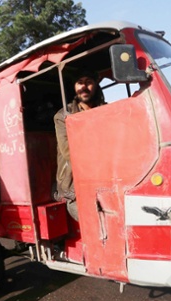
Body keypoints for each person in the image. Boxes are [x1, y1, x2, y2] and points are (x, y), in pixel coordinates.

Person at [54, 69, 105, 221]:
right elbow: (69, 151)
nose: (84, 87)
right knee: (96, 224)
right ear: (75, 87)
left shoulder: (105, 110)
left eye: (89, 82)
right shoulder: (63, 116)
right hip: (74, 184)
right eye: (80, 83)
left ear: (96, 86)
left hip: (106, 176)